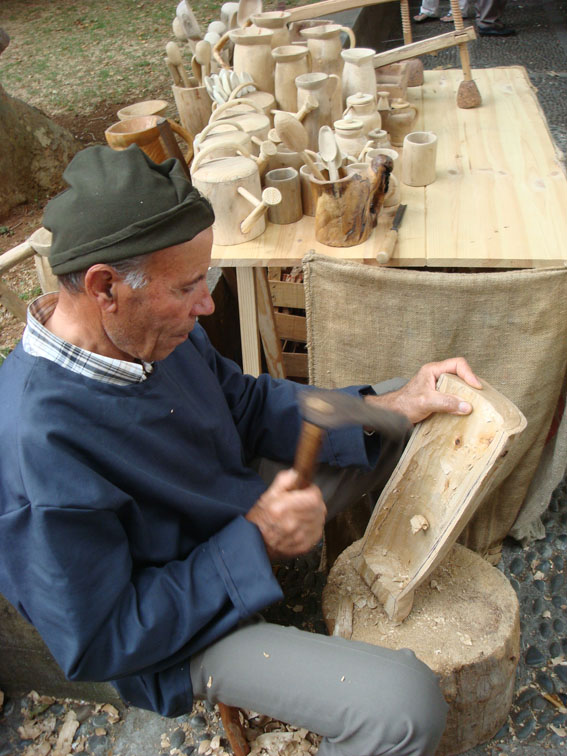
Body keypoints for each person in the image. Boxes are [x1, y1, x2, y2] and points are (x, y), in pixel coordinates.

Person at [0, 145, 483, 755]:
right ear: (105, 287)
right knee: (405, 708)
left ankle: (363, 568)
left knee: (400, 416)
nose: (206, 304)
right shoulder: (36, 446)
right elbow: (104, 639)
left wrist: (389, 406)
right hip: (175, 633)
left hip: (232, 517)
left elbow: (247, 405)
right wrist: (255, 543)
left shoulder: (145, 331)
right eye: (187, 287)